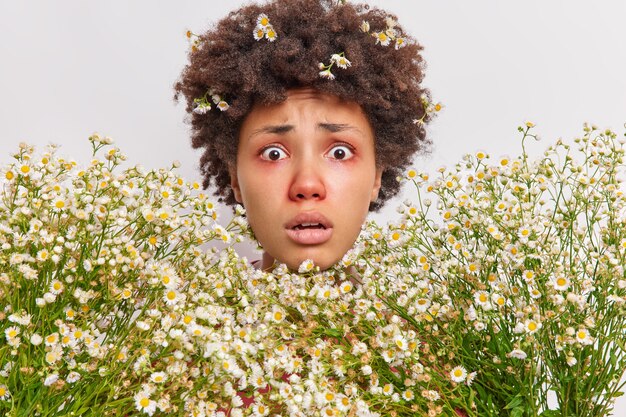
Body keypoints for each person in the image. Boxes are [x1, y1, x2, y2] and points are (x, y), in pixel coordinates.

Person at [175, 0, 432, 272]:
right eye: (273, 153)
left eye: (339, 152)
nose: (307, 185)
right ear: (234, 177)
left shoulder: (444, 314)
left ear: (377, 176)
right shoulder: (167, 313)